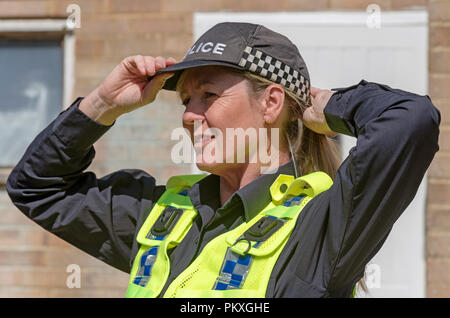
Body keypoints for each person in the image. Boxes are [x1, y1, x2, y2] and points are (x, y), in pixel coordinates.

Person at [6, 22, 440, 298]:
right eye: (187, 99)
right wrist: (102, 104)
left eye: (209, 95)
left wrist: (319, 103)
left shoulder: (323, 223)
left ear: (271, 103)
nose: (191, 115)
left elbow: (411, 120)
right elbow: (36, 187)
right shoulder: (161, 217)